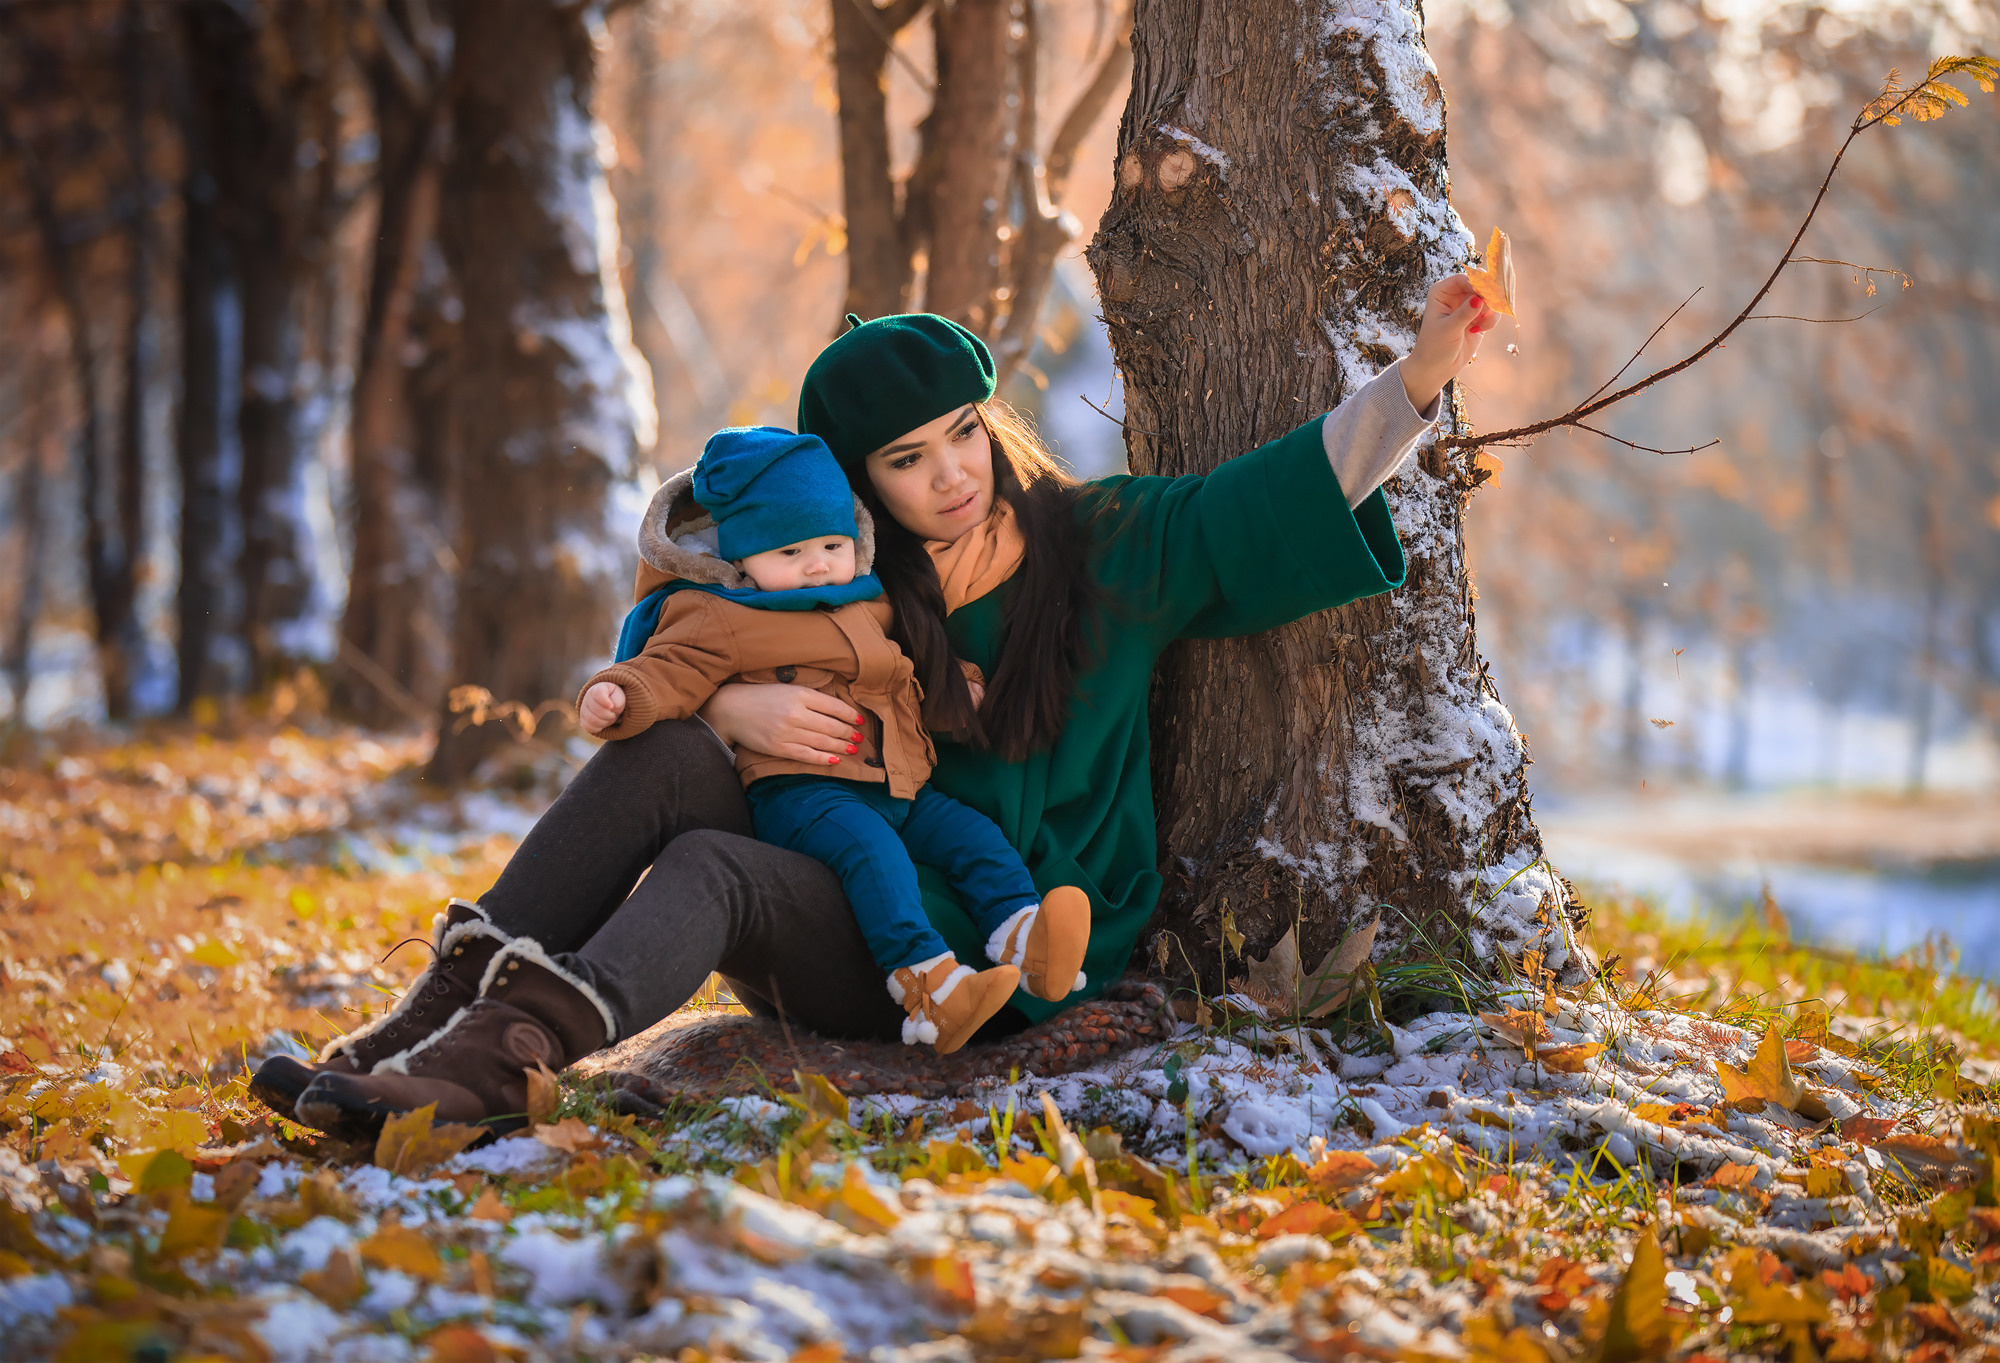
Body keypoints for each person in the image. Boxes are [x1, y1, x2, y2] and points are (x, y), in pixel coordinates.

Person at [258, 274, 1494, 1138]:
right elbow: (689, 655)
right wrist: (733, 717)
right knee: (668, 758)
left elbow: (1276, 493)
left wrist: (1423, 368)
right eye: (905, 460)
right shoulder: (844, 593)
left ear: (989, 421)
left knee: (707, 864)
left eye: (960, 433)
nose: (950, 474)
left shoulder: (1109, 542)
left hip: (1006, 940)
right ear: (856, 485)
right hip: (852, 899)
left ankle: (478, 1074)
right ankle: (414, 1036)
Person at [573, 425, 1090, 1055]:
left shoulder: (870, 607)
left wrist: (957, 688)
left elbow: (903, 673)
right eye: (790, 554)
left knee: (973, 835)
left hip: (899, 783)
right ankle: (928, 984)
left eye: (831, 544)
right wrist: (619, 695)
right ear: (743, 561)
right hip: (807, 794)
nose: (818, 564)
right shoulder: (724, 617)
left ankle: (1026, 936)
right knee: (874, 855)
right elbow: (666, 670)